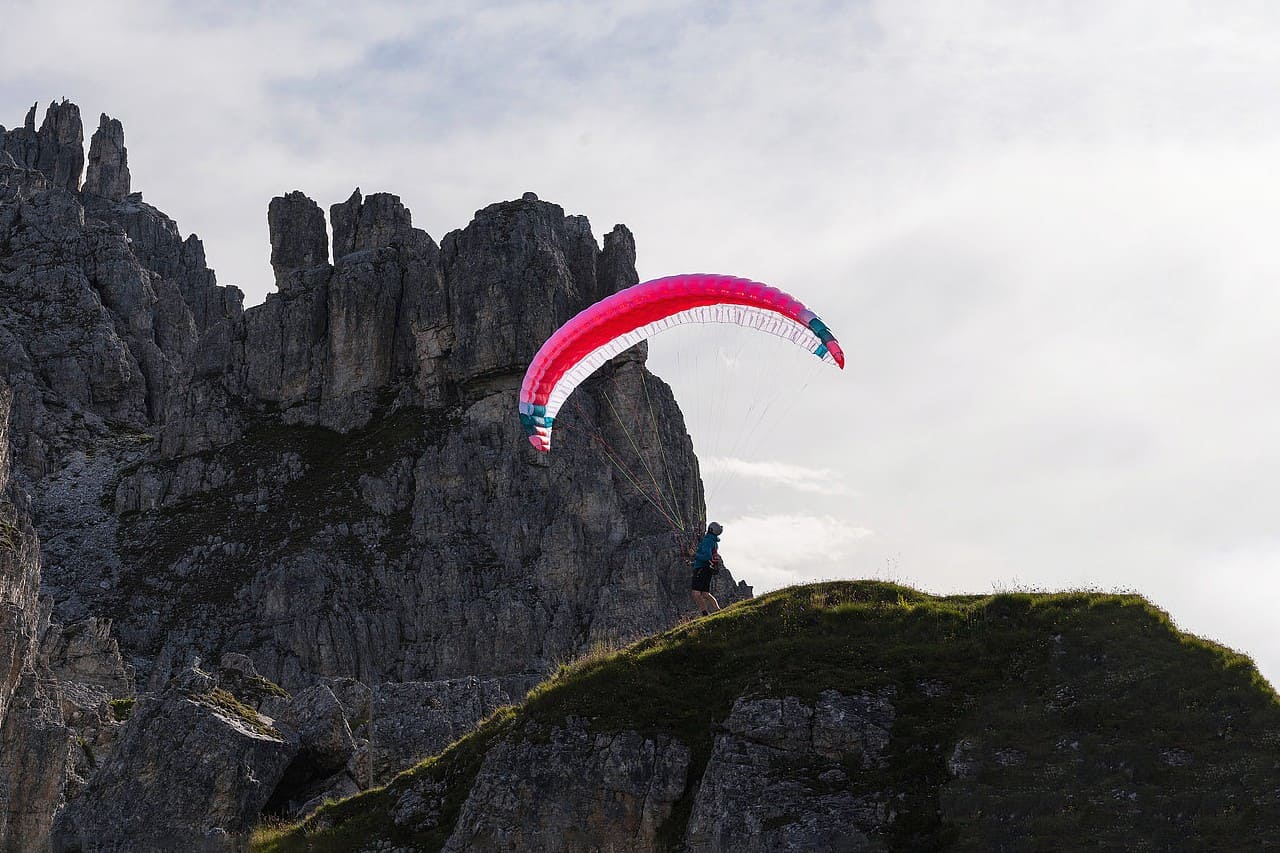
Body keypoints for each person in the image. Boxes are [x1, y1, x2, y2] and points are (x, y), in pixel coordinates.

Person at [690, 521, 724, 616]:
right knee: (705, 593)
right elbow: (707, 559)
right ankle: (718, 610)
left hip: (702, 569)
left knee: (696, 593)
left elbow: (706, 557)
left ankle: (705, 614)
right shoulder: (713, 542)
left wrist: (694, 555)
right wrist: (693, 564)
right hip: (707, 569)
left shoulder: (707, 541)